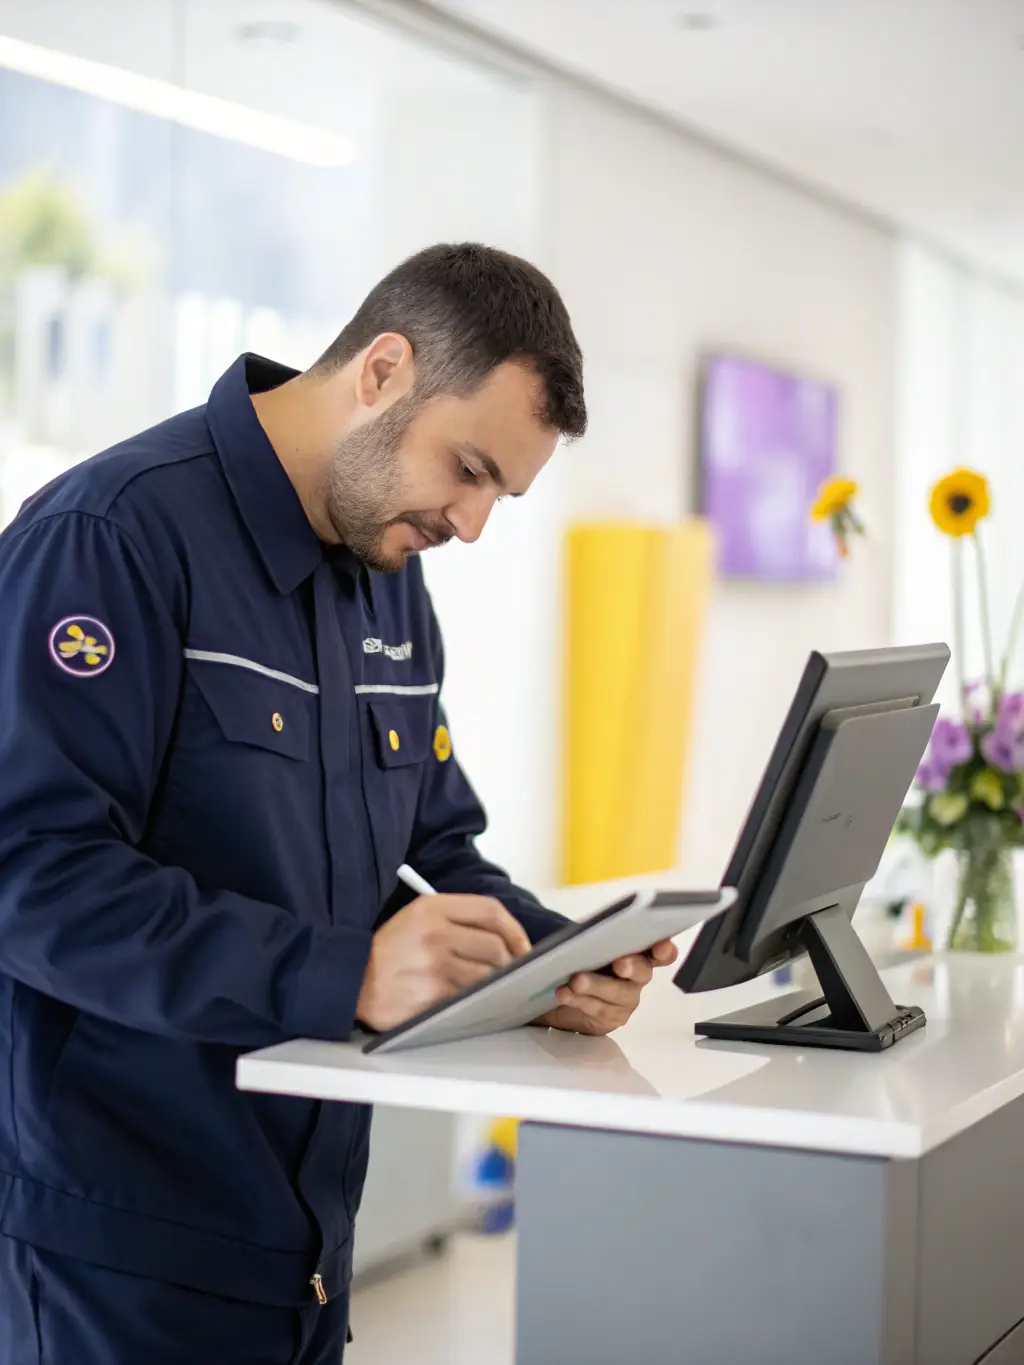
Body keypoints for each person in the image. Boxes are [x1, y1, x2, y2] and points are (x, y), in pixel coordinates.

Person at [0, 243, 677, 1364]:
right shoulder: (108, 538)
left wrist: (550, 961)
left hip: (308, 1243)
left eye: (500, 493)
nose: (472, 524)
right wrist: (343, 974)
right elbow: (29, 872)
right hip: (118, 1255)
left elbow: (439, 846)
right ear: (382, 369)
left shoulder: (390, 582)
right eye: (467, 470)